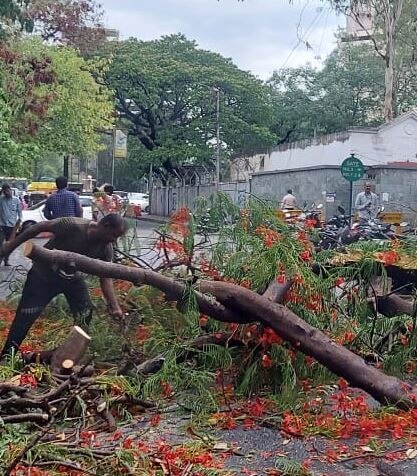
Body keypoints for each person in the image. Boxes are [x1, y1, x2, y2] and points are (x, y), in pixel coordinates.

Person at [0, 214, 126, 357]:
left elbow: (105, 277)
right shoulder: (72, 225)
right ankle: (6, 357)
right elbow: (38, 227)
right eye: (114, 235)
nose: (114, 240)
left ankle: (68, 354)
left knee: (85, 315)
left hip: (71, 279)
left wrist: (114, 306)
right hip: (42, 277)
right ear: (105, 226)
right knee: (25, 317)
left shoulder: (106, 248)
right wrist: (11, 245)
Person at [0, 184, 22, 266]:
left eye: (8, 191)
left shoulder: (16, 200)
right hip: (2, 225)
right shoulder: (1, 200)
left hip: (12, 226)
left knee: (10, 245)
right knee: (0, 244)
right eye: (4, 191)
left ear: (10, 190)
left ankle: (6, 260)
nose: (7, 193)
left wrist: (19, 222)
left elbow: (20, 213)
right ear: (3, 192)